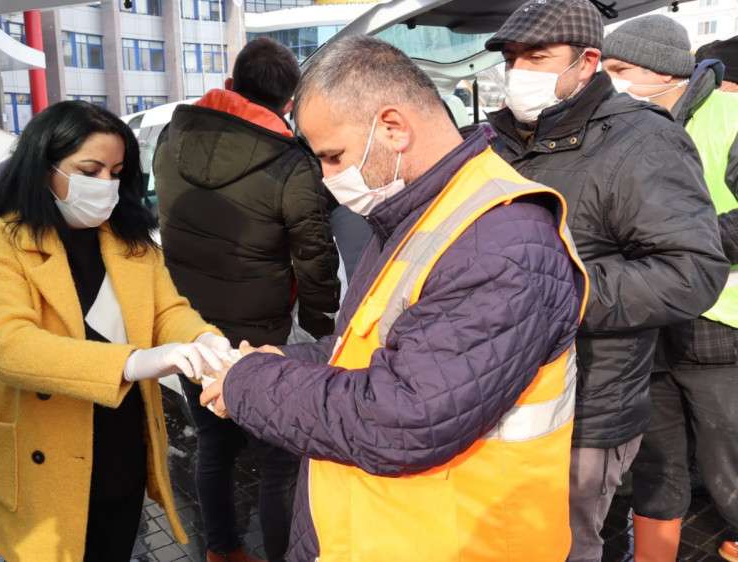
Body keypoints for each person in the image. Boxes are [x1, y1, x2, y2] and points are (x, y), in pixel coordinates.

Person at [201, 35, 588, 561]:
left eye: (333, 157)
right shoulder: (424, 211)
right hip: (384, 531)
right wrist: (285, 361)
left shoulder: (500, 242)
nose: (328, 179)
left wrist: (250, 384)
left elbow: (403, 417)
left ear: (392, 128)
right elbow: (377, 348)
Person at [481, 1, 730, 561]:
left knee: (566, 543)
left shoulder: (642, 140)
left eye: (537, 57)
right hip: (497, 388)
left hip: (589, 404)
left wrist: (560, 291)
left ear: (587, 61)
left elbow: (692, 271)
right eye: (512, 57)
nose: (518, 71)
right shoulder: (495, 138)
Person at [0, 101, 232, 562]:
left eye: (116, 172)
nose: (105, 184)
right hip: (43, 452)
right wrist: (133, 362)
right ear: (43, 167)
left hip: (120, 442)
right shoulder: (2, 245)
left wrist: (201, 339)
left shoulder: (129, 241)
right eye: (90, 171)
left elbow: (167, 311)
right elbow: (11, 348)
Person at [153, 37, 340, 562]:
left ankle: (222, 550)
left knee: (213, 444)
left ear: (232, 85)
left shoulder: (173, 136)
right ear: (289, 103)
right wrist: (321, 325)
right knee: (280, 458)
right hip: (263, 331)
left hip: (191, 325)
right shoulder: (291, 163)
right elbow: (314, 254)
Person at [602, 15, 738, 562]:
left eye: (620, 68)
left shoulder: (730, 116)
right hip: (645, 318)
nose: (609, 80)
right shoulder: (617, 126)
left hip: (717, 320)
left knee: (727, 447)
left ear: (663, 70)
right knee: (656, 459)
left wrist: (674, 241)